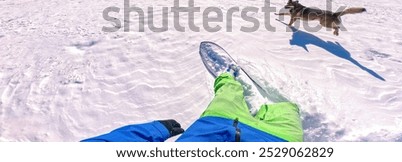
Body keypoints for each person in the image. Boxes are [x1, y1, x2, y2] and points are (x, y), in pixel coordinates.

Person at [82, 67, 303, 142]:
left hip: (216, 126)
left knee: (227, 92)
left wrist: (156, 130)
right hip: (281, 141)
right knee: (289, 108)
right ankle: (267, 108)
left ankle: (227, 77)